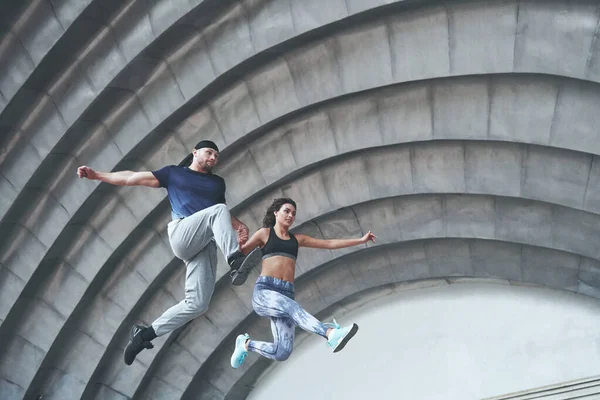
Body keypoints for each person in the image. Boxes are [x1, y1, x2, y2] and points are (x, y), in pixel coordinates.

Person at [76, 140, 262, 366]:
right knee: (218, 212)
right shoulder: (173, 174)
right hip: (182, 234)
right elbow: (130, 177)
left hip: (203, 242)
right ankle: (235, 261)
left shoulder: (217, 183)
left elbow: (217, 211)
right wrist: (96, 175)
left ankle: (144, 335)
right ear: (195, 153)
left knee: (198, 304)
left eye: (216, 155)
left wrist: (239, 225)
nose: (213, 157)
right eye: (209, 152)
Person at [230, 197, 376, 368]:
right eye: (286, 211)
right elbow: (238, 256)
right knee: (293, 308)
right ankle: (330, 333)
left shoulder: (297, 239)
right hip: (265, 292)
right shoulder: (265, 234)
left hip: (286, 293)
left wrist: (360, 240)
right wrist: (239, 245)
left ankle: (245, 344)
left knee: (282, 352)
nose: (290, 215)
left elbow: (329, 243)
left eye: (293, 213)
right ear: (276, 213)